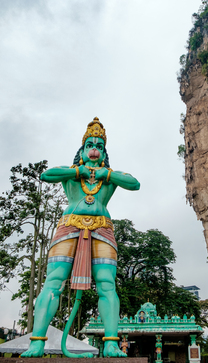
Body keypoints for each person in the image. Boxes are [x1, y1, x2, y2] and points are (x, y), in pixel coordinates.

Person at [22, 117, 140, 358]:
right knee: (54, 281)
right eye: (89, 145)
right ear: (82, 151)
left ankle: (110, 342)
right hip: (70, 226)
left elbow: (134, 183)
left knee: (107, 285)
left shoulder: (110, 175)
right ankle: (36, 342)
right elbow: (46, 175)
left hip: (102, 229)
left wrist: (105, 174)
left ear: (104, 153)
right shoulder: (71, 174)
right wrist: (79, 170)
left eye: (99, 145)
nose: (94, 148)